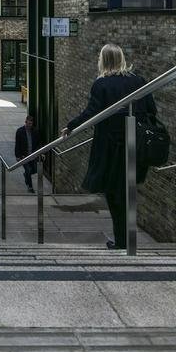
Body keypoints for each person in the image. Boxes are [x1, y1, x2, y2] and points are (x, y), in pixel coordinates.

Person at [62, 43, 155, 251]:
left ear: (103, 60)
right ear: (121, 58)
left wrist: (70, 126)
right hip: (135, 146)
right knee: (127, 192)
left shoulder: (101, 84)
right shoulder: (138, 81)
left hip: (112, 148)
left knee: (114, 195)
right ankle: (126, 241)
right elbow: (151, 110)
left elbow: (92, 113)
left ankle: (123, 241)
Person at [14, 114, 41, 193]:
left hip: (32, 155)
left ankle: (26, 175)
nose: (29, 125)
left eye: (31, 124)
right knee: (28, 170)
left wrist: (40, 152)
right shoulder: (20, 131)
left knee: (35, 170)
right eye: (28, 123)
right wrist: (17, 155)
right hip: (24, 156)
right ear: (25, 122)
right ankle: (30, 187)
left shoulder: (35, 131)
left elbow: (38, 143)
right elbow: (17, 144)